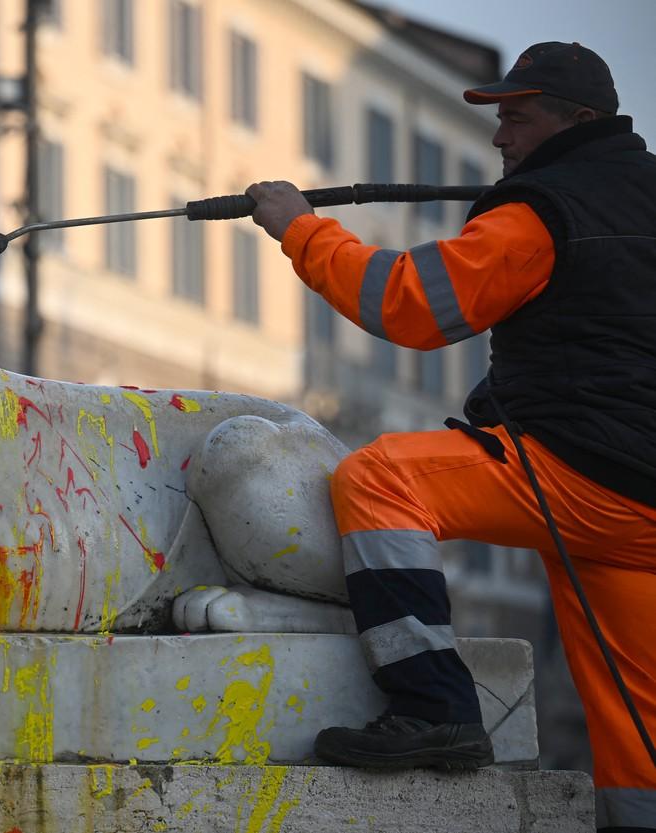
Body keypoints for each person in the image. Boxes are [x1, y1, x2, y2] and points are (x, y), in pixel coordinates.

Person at [246, 42, 656, 832]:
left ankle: (433, 702)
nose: (500, 139)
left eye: (516, 117)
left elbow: (411, 304)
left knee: (381, 477)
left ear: (577, 120)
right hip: (641, 505)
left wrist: (300, 229)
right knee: (640, 725)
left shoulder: (541, 212)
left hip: (579, 473)